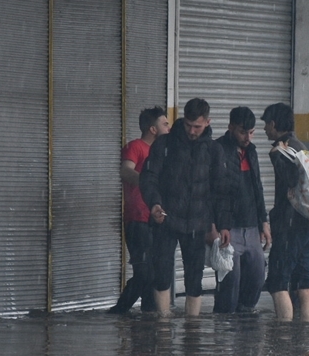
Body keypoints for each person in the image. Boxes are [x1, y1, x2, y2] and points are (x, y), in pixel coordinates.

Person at [140, 98, 231, 317]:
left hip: (198, 223)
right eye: (188, 125)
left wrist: (224, 224)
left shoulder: (214, 150)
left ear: (207, 122)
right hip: (166, 220)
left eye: (197, 126)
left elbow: (221, 191)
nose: (192, 131)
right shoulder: (164, 144)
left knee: (194, 278)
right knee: (161, 274)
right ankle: (163, 324)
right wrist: (154, 204)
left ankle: (193, 328)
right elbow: (149, 178)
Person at [109, 106, 171, 313]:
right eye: (165, 124)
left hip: (158, 221)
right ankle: (121, 310)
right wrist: (147, 183)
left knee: (156, 271)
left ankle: (148, 316)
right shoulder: (136, 147)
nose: (168, 127)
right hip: (138, 219)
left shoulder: (163, 151)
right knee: (145, 272)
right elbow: (125, 170)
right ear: (152, 129)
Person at [262, 102, 309, 322]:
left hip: (290, 225)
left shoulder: (283, 149)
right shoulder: (302, 146)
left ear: (274, 124)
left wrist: (276, 155)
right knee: (304, 283)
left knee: (277, 282)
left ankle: (283, 338)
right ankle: (307, 334)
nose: (265, 129)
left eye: (267, 124)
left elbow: (291, 181)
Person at [213, 107, 271, 314]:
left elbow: (257, 186)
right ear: (230, 128)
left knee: (257, 278)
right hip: (229, 227)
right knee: (230, 282)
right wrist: (220, 225)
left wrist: (263, 222)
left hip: (252, 225)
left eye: (251, 132)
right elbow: (217, 191)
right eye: (242, 132)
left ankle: (246, 324)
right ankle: (225, 328)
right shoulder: (218, 149)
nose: (247, 137)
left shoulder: (251, 151)